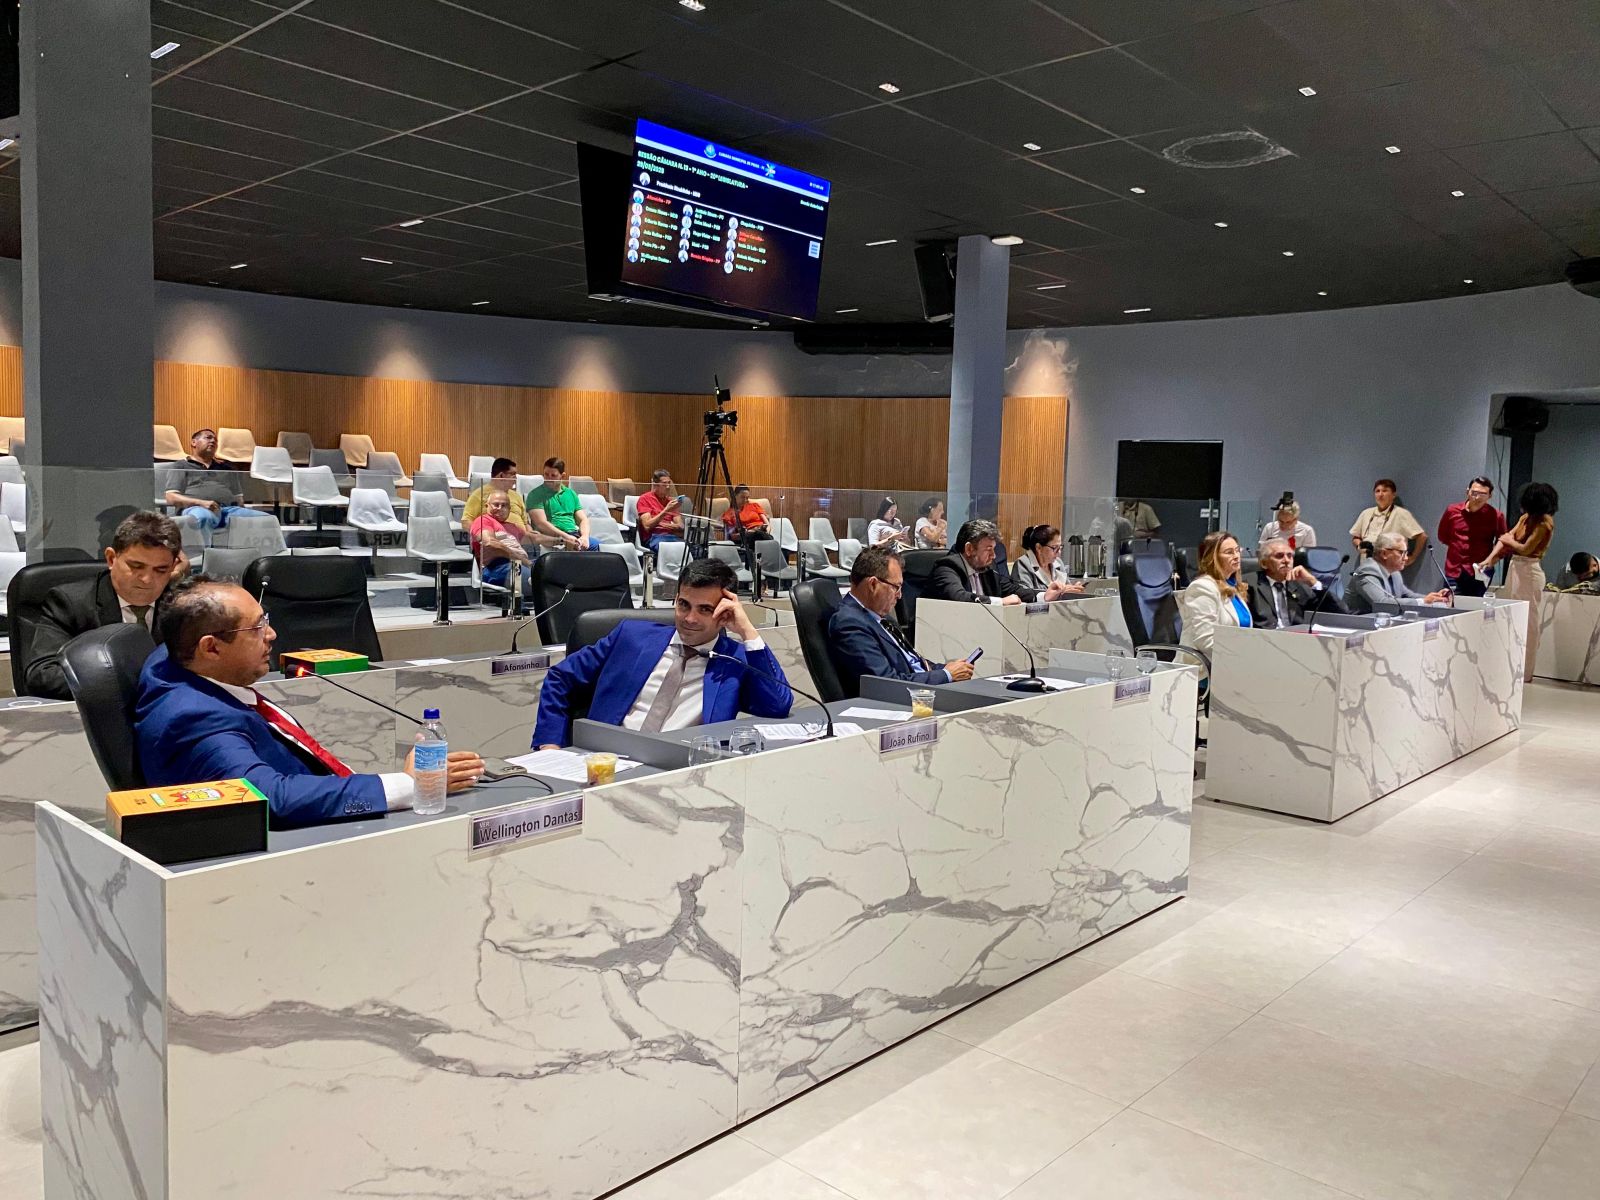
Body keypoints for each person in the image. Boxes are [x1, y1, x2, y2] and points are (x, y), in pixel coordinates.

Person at [136, 578, 484, 825]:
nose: (271, 634)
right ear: (211, 648)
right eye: (255, 628)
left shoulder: (173, 660)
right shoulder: (195, 718)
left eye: (265, 620)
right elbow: (270, 799)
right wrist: (410, 785)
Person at [532, 556, 792, 748]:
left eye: (704, 609)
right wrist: (550, 745)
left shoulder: (735, 660)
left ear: (725, 612)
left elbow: (778, 705)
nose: (689, 618)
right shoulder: (631, 636)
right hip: (608, 760)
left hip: (682, 772)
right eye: (684, 604)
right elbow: (559, 677)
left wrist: (747, 630)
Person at [23, 512, 184, 700]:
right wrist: (138, 683)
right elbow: (43, 676)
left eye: (161, 570)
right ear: (111, 559)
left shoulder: (182, 604)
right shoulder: (71, 602)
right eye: (136, 566)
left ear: (173, 566)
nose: (147, 579)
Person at [827, 545, 975, 694]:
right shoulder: (849, 624)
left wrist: (949, 669)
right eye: (896, 587)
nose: (899, 595)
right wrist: (946, 675)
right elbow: (885, 683)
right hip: (902, 701)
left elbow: (914, 662)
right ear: (873, 584)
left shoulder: (883, 619)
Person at [1477, 481, 1557, 682]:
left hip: (1530, 570)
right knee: (1513, 617)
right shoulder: (1526, 517)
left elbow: (1525, 548)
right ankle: (1512, 664)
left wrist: (1508, 541)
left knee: (1529, 622)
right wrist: (1489, 559)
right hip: (1516, 567)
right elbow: (1506, 539)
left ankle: (1526, 670)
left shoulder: (1544, 523)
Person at [162, 427, 271, 546]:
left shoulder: (226, 468)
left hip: (227, 510)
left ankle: (266, 556)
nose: (213, 441)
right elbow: (171, 497)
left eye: (215, 440)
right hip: (196, 508)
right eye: (208, 437)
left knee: (267, 519)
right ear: (194, 442)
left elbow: (239, 499)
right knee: (203, 517)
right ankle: (204, 555)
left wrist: (242, 511)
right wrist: (201, 503)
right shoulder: (180, 466)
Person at [925, 519, 1073, 605]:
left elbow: (1013, 589)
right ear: (969, 549)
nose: (994, 555)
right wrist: (1000, 602)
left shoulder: (987, 569)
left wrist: (1044, 596)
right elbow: (959, 597)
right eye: (988, 549)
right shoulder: (947, 568)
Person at [1178, 530, 1253, 657]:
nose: (1236, 556)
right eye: (1229, 552)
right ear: (1213, 558)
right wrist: (1242, 656)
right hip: (1205, 665)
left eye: (1237, 550)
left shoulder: (1233, 585)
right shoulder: (1202, 587)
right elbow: (1206, 641)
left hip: (1234, 660)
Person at [1249, 537, 1347, 629]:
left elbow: (1341, 612)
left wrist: (1313, 582)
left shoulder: (1300, 586)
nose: (1286, 560)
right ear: (1264, 563)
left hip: (1297, 637)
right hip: (1263, 638)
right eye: (1279, 556)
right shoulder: (1249, 585)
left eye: (1290, 556)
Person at [1347, 531, 1452, 614]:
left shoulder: (1394, 572)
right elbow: (1382, 603)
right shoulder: (1367, 572)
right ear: (1384, 553)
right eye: (1402, 553)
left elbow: (1407, 595)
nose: (1406, 558)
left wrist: (1433, 598)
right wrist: (1423, 601)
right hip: (1357, 625)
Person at [1436, 476, 1506, 597]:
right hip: (1454, 569)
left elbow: (1503, 543)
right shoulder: (1452, 511)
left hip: (1480, 571)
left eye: (1483, 494)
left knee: (1475, 605)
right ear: (1467, 492)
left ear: (1490, 496)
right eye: (1474, 493)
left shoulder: (1496, 516)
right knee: (1450, 603)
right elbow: (1443, 536)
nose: (1477, 497)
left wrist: (1490, 561)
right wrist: (1458, 547)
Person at [526, 456, 600, 551]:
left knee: (599, 546)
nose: (548, 479)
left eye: (553, 475)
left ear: (563, 476)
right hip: (553, 538)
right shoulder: (535, 494)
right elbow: (541, 524)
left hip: (574, 534)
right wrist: (566, 537)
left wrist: (585, 537)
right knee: (576, 549)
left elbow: (583, 519)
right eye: (546, 474)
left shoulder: (571, 493)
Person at [469, 490, 533, 593]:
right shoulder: (483, 520)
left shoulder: (511, 526)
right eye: (496, 504)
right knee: (536, 579)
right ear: (487, 506)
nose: (500, 508)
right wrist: (523, 560)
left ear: (509, 509)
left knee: (551, 570)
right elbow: (489, 543)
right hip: (496, 567)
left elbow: (533, 538)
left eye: (504, 505)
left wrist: (558, 539)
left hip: (519, 563)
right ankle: (519, 603)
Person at [1350, 478, 1425, 565]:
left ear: (1393, 495)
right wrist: (1359, 546)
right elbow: (1356, 537)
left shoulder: (1401, 514)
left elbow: (1422, 536)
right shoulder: (1366, 513)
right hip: (1366, 565)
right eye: (1377, 491)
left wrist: (1412, 558)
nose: (1380, 494)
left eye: (1385, 491)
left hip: (1389, 567)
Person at [1011, 525, 1086, 594]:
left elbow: (1066, 588)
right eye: (1054, 548)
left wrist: (1074, 589)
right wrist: (1059, 592)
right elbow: (1025, 595)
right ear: (1039, 548)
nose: (1059, 552)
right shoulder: (1023, 564)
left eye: (1060, 547)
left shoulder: (1058, 562)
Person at [462, 457, 530, 533]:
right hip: (496, 537)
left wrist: (532, 534)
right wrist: (483, 535)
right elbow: (466, 522)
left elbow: (526, 523)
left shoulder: (516, 496)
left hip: (522, 538)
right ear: (501, 475)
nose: (516, 478)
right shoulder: (478, 494)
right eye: (513, 474)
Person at [721, 483, 772, 569]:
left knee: (760, 535)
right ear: (735, 496)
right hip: (747, 537)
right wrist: (749, 532)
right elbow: (732, 536)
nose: (745, 500)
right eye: (742, 497)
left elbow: (768, 524)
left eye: (747, 498)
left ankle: (758, 568)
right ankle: (768, 566)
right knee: (758, 536)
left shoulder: (754, 506)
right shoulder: (729, 514)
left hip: (763, 534)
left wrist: (766, 531)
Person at [636, 468, 685, 554]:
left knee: (693, 550)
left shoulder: (670, 502)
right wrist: (666, 510)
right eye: (664, 483)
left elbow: (681, 526)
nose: (668, 486)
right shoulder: (645, 499)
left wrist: (661, 524)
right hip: (654, 537)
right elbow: (647, 526)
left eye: (669, 483)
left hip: (672, 536)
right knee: (672, 551)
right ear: (656, 485)